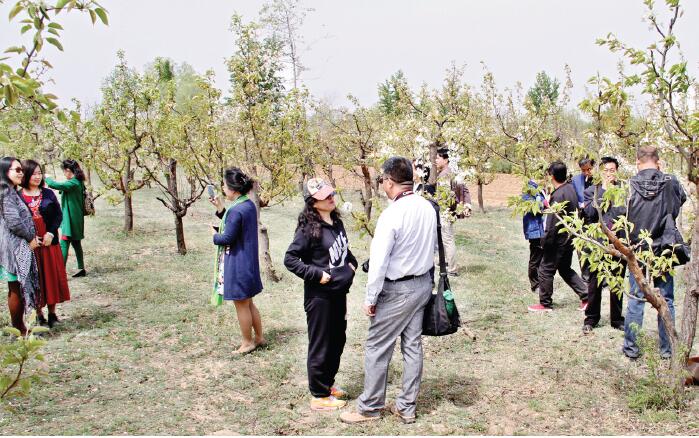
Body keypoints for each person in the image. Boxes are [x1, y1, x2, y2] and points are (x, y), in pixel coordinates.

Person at [340, 157, 437, 425]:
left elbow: (379, 262)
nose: (381, 185)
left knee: (377, 346)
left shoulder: (392, 214)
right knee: (412, 346)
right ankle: (406, 407)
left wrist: (370, 298)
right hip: (422, 284)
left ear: (390, 182)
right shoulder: (427, 207)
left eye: (382, 180)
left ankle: (369, 408)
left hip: (397, 289)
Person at [284, 178, 358, 411]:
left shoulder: (336, 222)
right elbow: (290, 259)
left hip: (339, 295)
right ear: (313, 202)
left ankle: (327, 385)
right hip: (319, 298)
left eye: (331, 193)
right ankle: (318, 395)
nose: (330, 198)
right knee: (321, 345)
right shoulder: (308, 229)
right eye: (324, 196)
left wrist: (352, 265)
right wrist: (317, 274)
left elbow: (343, 250)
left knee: (337, 340)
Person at [622, 146, 686, 360]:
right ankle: (667, 351)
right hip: (665, 247)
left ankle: (631, 349)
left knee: (635, 299)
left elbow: (622, 215)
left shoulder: (629, 185)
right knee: (666, 299)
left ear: (637, 162)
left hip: (638, 248)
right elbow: (679, 202)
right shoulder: (671, 181)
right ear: (658, 162)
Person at [210, 167, 264, 354]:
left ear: (233, 189)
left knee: (241, 305)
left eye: (225, 186)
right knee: (248, 303)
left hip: (238, 264)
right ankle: (259, 337)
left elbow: (227, 237)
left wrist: (214, 235)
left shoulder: (236, 210)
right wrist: (220, 209)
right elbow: (235, 224)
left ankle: (247, 342)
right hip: (248, 263)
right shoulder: (248, 205)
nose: (223, 189)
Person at [528, 161, 588, 312]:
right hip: (569, 238)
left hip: (558, 241)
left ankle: (545, 303)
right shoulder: (570, 189)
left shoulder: (559, 194)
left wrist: (544, 241)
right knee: (565, 269)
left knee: (545, 270)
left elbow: (552, 224)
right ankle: (587, 296)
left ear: (552, 176)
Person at [20, 160, 70, 328]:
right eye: (34, 173)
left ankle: (52, 314)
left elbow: (58, 215)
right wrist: (29, 238)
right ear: (26, 175)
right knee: (37, 277)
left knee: (51, 276)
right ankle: (39, 315)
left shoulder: (48, 193)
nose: (37, 176)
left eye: (39, 173)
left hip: (49, 242)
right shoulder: (18, 196)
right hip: (31, 245)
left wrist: (51, 232)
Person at [581, 157, 625, 334]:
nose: (609, 173)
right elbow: (590, 213)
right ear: (600, 172)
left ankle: (617, 319)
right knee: (594, 283)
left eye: (612, 170)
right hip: (598, 243)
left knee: (617, 281)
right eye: (605, 170)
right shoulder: (591, 191)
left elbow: (625, 214)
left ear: (617, 172)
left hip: (618, 243)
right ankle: (591, 318)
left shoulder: (622, 191)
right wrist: (604, 191)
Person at [0, 156, 40, 335]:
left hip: (14, 246)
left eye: (21, 170)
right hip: (13, 249)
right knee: (15, 286)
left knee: (16, 286)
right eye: (17, 170)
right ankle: (19, 329)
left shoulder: (10, 191)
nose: (21, 173)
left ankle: (20, 327)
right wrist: (31, 238)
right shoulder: (6, 193)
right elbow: (14, 222)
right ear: (5, 172)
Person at [46, 159, 87, 277]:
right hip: (76, 218)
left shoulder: (73, 183)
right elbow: (64, 189)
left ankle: (60, 272)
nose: (64, 173)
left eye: (64, 171)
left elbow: (57, 185)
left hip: (70, 220)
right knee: (76, 243)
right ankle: (81, 268)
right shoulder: (78, 181)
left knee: (64, 244)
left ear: (68, 170)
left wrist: (47, 178)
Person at [434, 147, 471, 276]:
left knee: (448, 239)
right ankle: (444, 261)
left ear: (446, 160)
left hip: (445, 211)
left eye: (438, 158)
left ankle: (452, 269)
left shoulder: (445, 174)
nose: (435, 160)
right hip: (449, 211)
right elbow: (464, 189)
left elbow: (444, 197)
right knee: (444, 238)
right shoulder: (452, 173)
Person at [571, 157, 595, 284]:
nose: (586, 172)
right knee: (582, 248)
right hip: (582, 219)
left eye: (589, 169)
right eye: (583, 170)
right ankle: (585, 277)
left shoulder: (599, 180)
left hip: (596, 220)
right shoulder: (575, 180)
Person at [521, 179, 545, 295]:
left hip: (541, 230)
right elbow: (533, 209)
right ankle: (535, 285)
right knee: (535, 258)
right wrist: (543, 204)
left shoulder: (539, 190)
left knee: (541, 258)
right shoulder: (529, 190)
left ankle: (541, 283)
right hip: (534, 230)